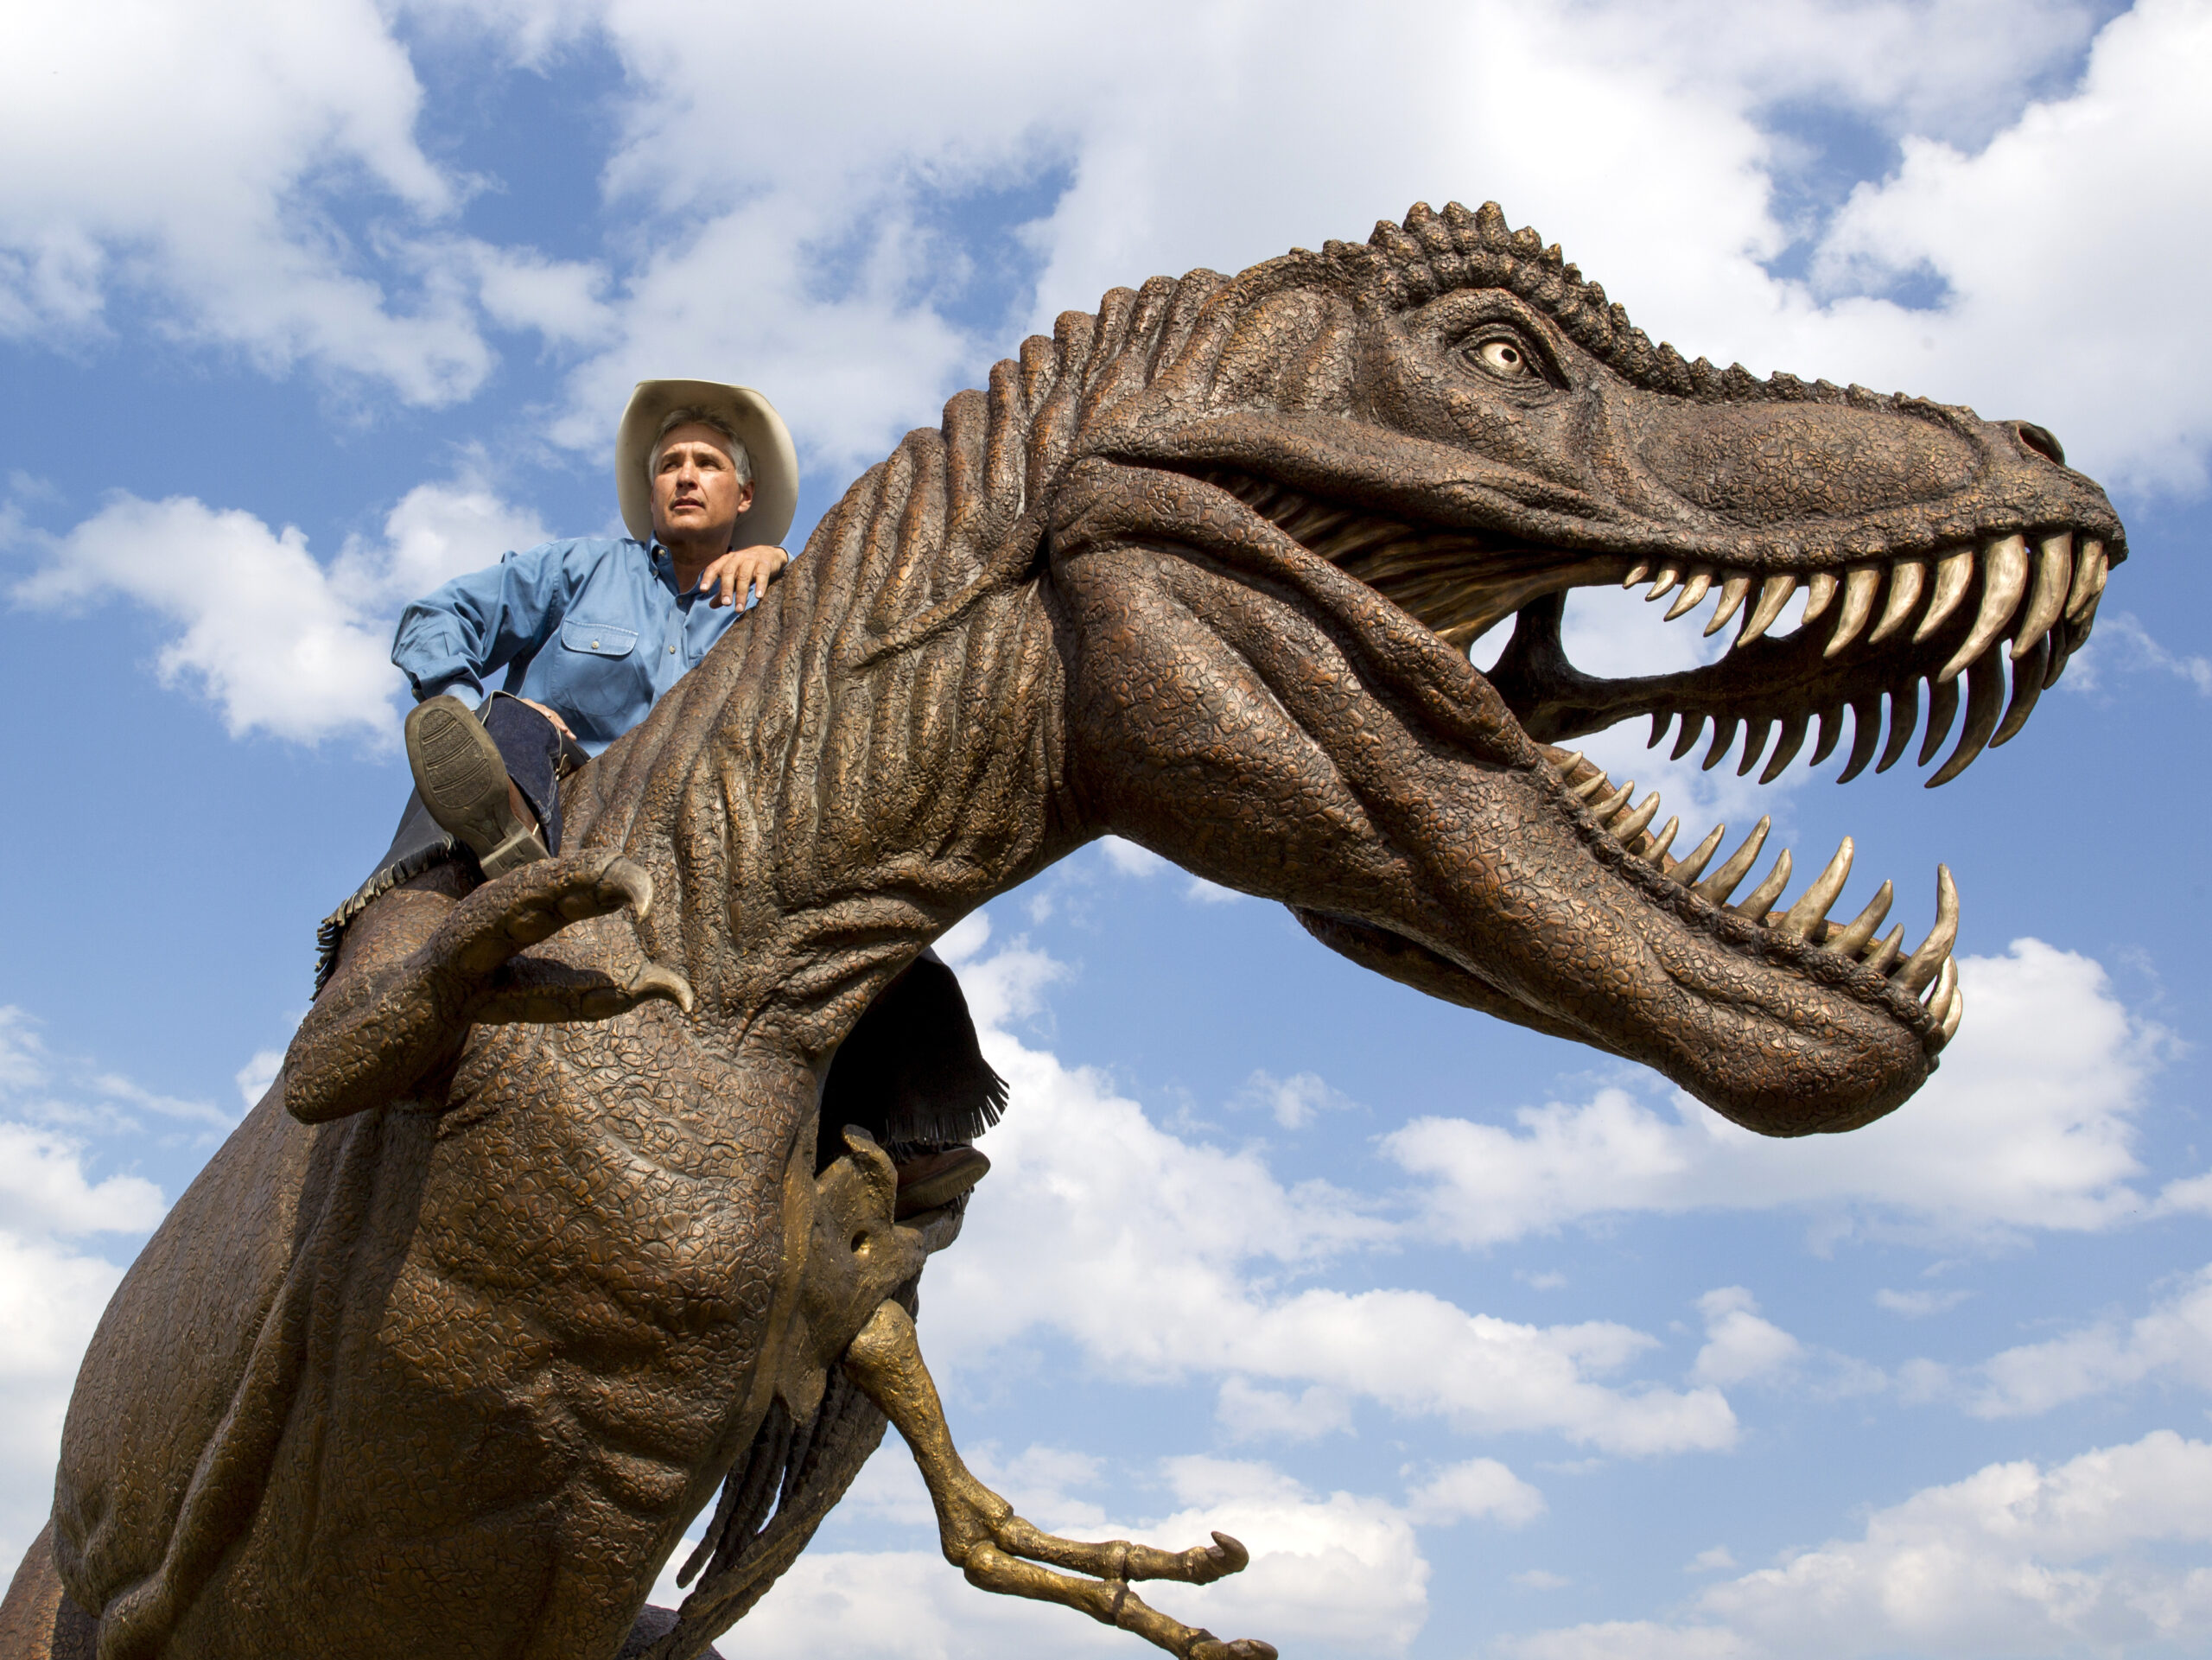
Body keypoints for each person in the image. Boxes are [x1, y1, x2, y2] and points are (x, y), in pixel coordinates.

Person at [313, 378, 798, 988]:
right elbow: (438, 617)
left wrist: (786, 562)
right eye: (669, 465)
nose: (685, 477)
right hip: (559, 792)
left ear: (745, 493)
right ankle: (505, 838)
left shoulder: (777, 599)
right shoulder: (578, 568)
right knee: (509, 720)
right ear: (652, 492)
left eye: (707, 463)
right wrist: (469, 717)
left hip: (707, 829)